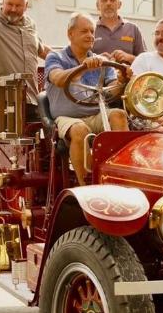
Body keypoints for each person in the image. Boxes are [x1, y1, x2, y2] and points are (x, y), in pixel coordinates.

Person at [46, 12, 131, 186]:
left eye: (92, 32)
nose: (90, 36)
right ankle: (87, 185)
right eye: (85, 31)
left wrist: (122, 80)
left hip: (95, 114)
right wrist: (82, 68)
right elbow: (58, 79)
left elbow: (112, 92)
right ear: (71, 34)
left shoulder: (101, 62)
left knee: (119, 115)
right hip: (67, 117)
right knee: (79, 130)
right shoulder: (56, 57)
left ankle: (119, 177)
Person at [92, 0, 146, 65]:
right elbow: (79, 59)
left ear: (120, 4)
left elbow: (145, 62)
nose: (108, 3)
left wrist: (128, 57)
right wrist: (97, 59)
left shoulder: (133, 29)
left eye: (112, 0)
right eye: (104, 0)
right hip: (97, 77)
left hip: (128, 77)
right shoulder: (90, 30)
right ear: (97, 6)